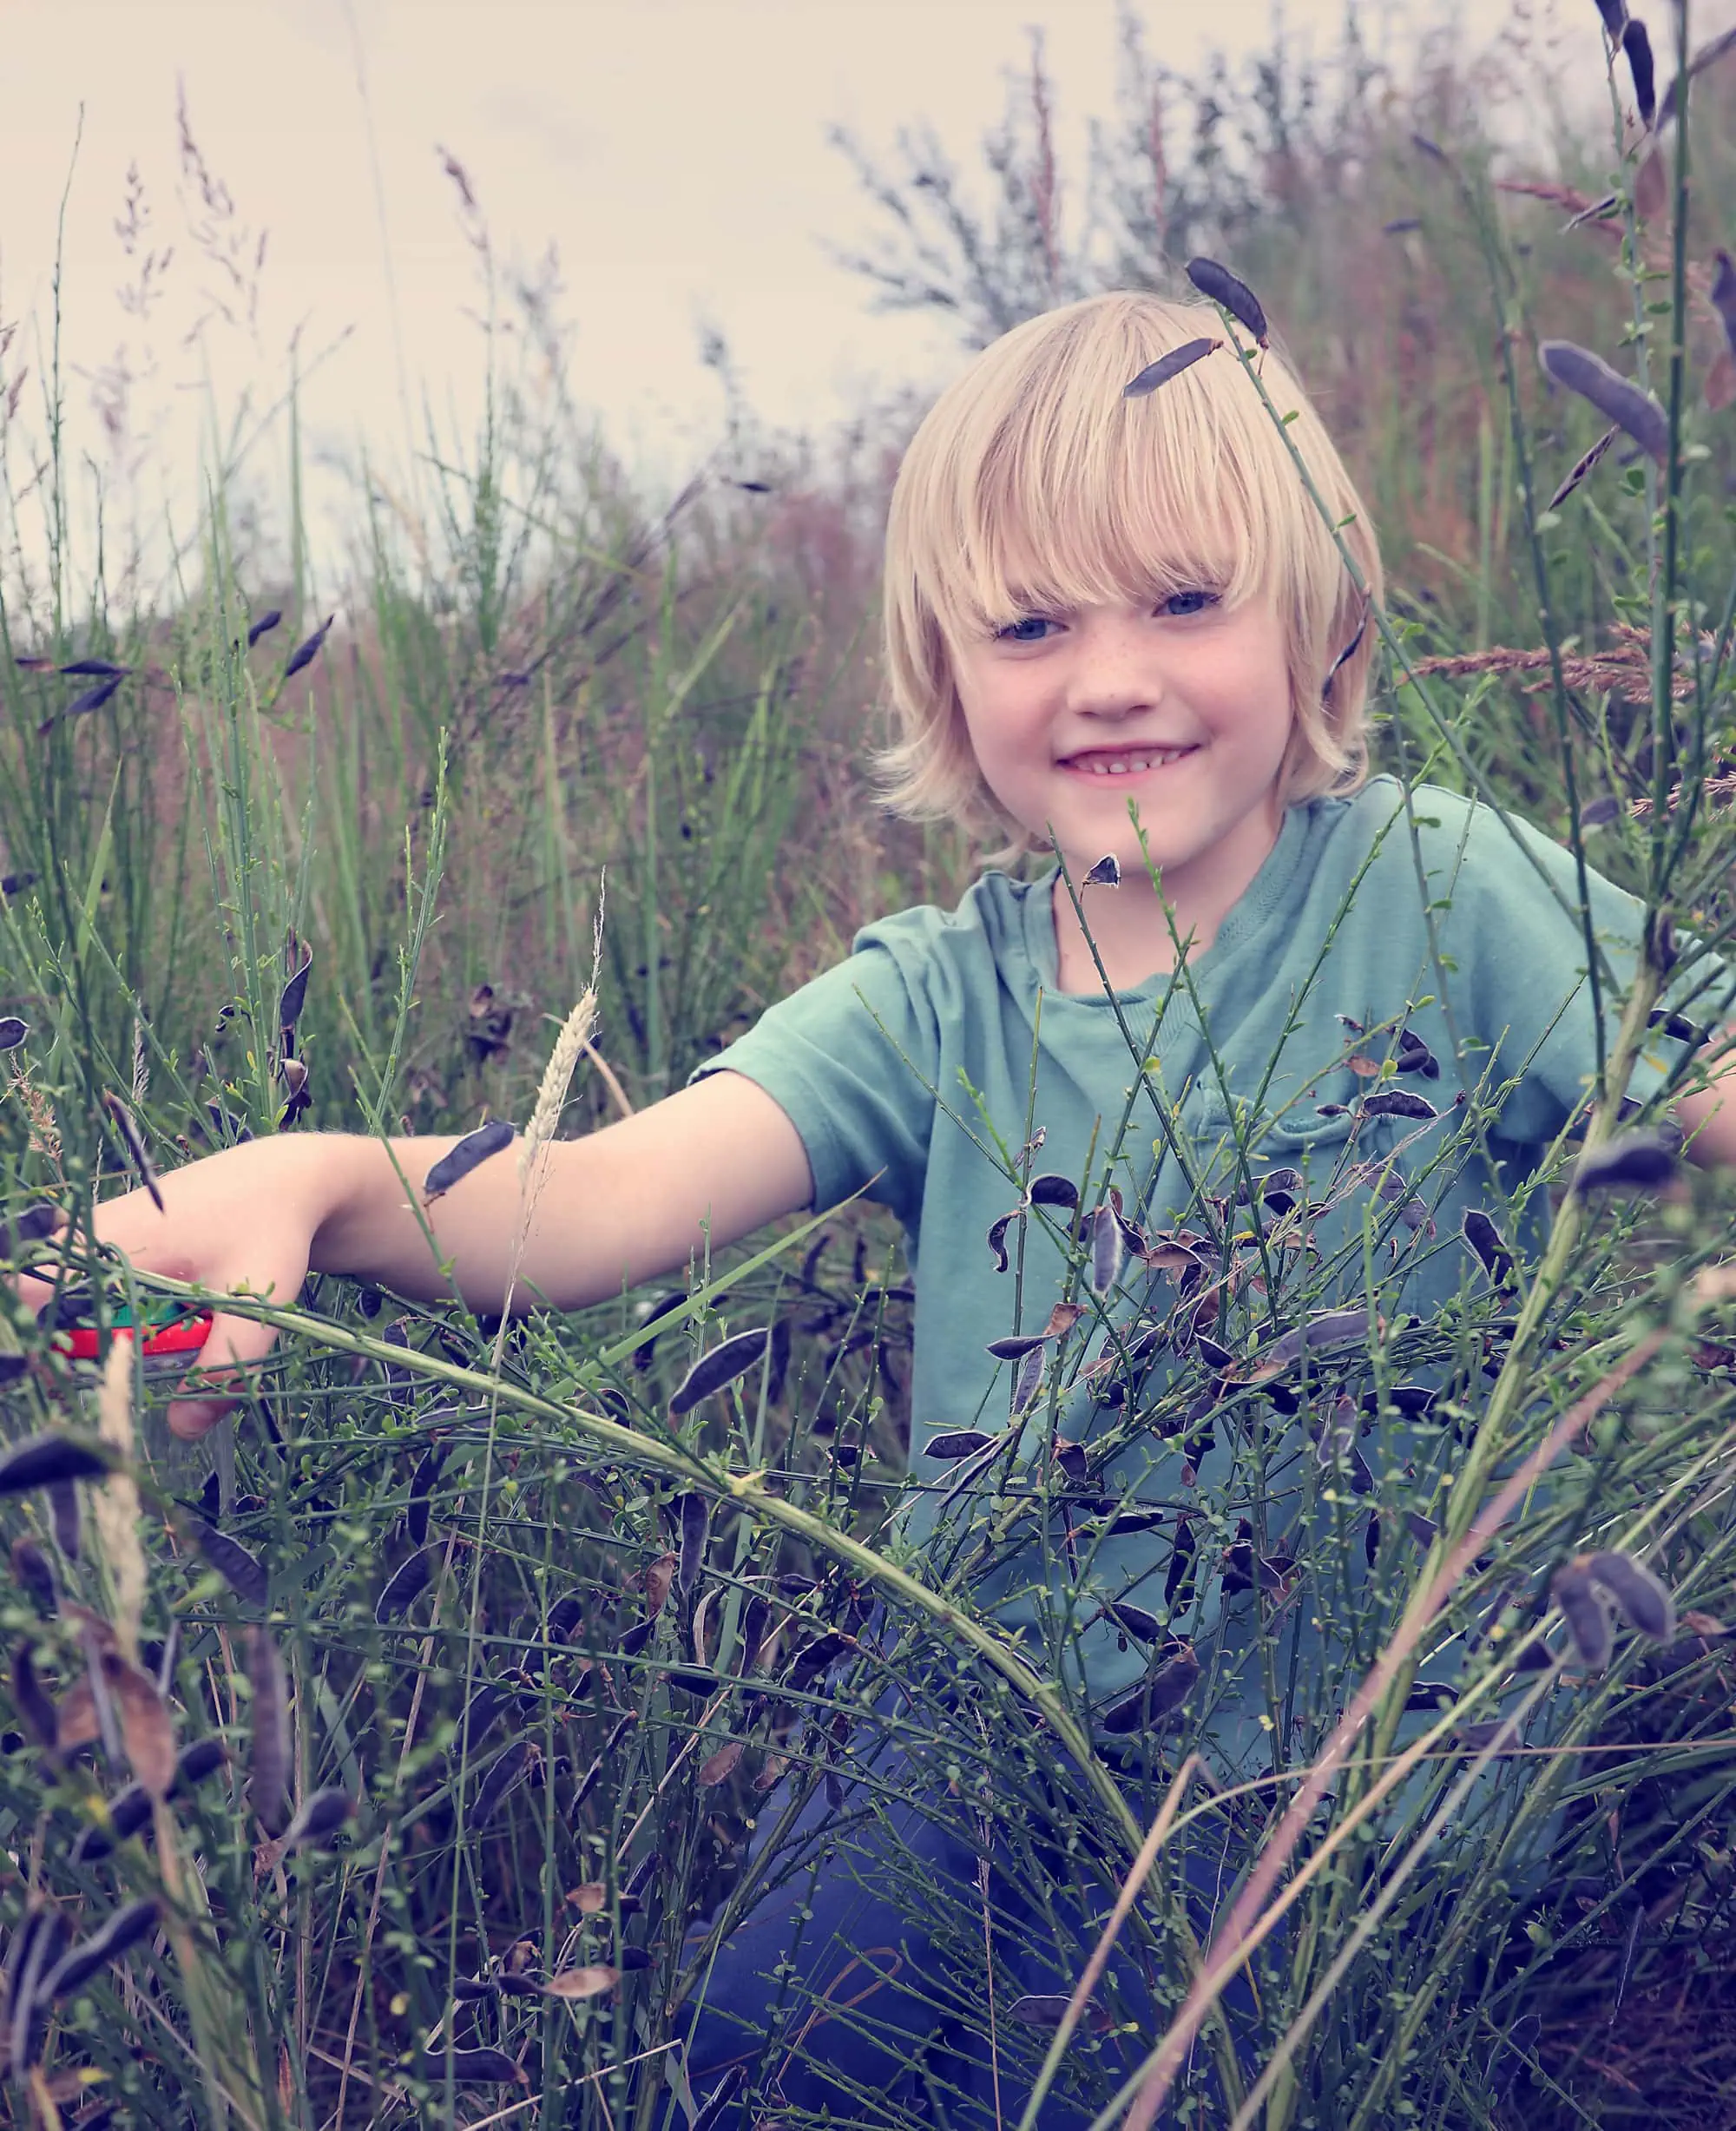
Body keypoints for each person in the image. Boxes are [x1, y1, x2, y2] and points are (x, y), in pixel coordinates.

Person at [32, 290, 1736, 2121]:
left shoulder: (1443, 885)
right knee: (776, 2042)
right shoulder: (935, 992)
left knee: (1107, 2077)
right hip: (973, 1705)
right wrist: (316, 1182)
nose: (1107, 676)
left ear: (1317, 620)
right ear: (944, 666)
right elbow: (587, 1202)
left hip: (1351, 1760)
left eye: (1183, 601)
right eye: (1028, 622)